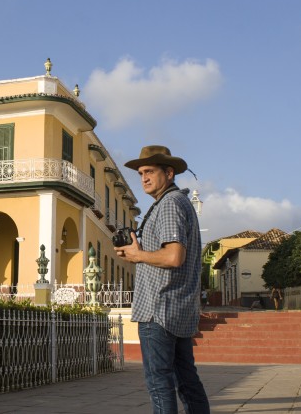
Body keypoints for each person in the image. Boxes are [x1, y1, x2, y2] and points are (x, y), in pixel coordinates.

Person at [114, 145, 210, 414]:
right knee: (187, 382)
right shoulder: (176, 203)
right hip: (177, 309)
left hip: (159, 309)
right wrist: (137, 254)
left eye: (149, 171)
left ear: (169, 173)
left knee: (159, 384)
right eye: (140, 172)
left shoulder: (169, 205)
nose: (143, 177)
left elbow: (173, 256)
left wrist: (138, 255)